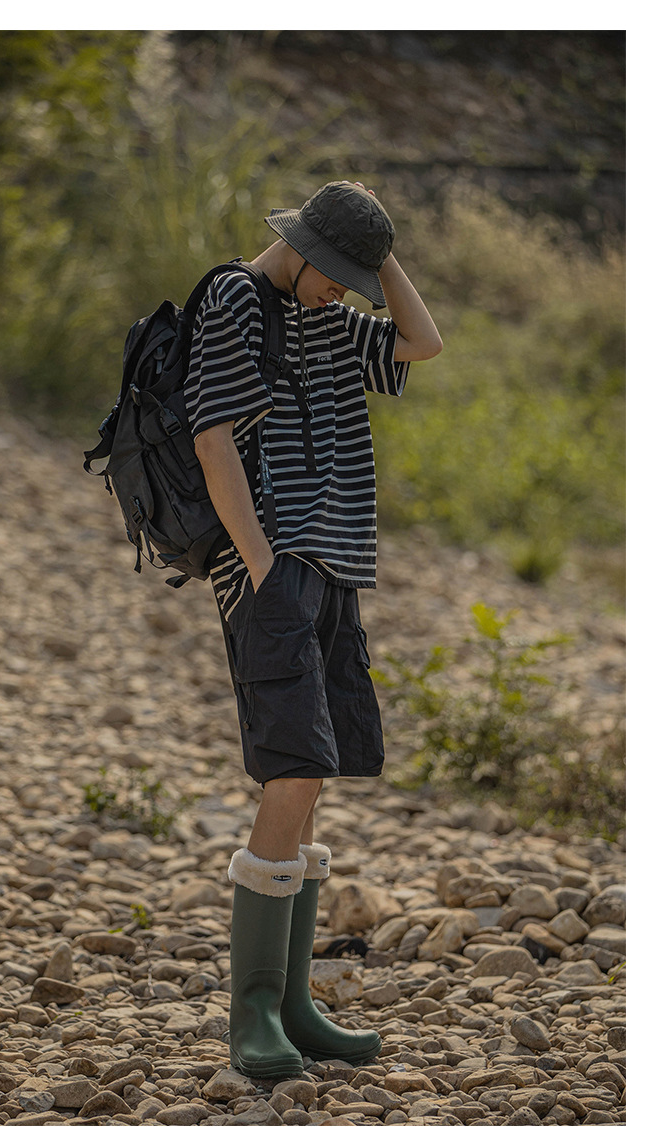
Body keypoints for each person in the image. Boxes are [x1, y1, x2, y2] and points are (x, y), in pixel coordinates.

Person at [184, 180, 442, 1079]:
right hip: (275, 564)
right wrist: (261, 565)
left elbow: (423, 342)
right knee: (292, 765)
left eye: (349, 279)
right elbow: (212, 438)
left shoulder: (329, 315)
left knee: (317, 771)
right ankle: (254, 1009)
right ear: (296, 250)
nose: (339, 292)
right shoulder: (234, 299)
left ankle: (293, 1001)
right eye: (331, 273)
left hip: (336, 567)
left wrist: (373, 255)